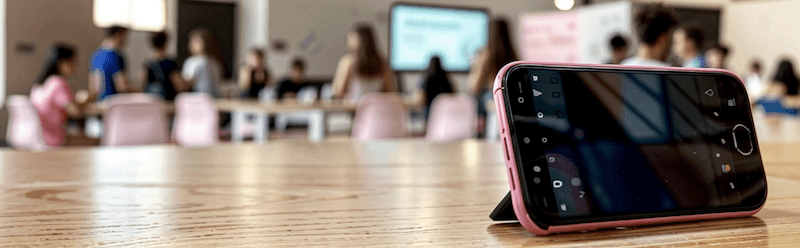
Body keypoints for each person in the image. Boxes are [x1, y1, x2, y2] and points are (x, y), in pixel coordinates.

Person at [30, 44, 87, 147]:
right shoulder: (58, 83)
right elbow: (76, 111)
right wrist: (88, 99)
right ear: (61, 63)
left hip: (37, 138)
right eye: (73, 61)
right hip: (54, 140)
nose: (76, 65)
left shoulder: (39, 85)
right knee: (100, 141)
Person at [468, 18, 518, 123]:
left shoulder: (485, 55)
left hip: (491, 100)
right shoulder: (514, 56)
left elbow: (474, 87)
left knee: (485, 96)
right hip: (510, 99)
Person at [332, 24, 396, 102]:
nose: (348, 42)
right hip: (375, 110)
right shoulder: (382, 62)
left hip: (353, 110)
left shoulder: (348, 62)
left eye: (351, 38)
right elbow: (390, 91)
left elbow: (338, 92)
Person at [139, 31, 189, 100]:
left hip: (151, 103)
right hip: (167, 103)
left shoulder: (147, 63)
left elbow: (142, 86)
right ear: (166, 42)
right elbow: (180, 86)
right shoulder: (169, 63)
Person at [90, 25, 132, 101]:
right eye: (125, 37)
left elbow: (93, 88)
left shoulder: (95, 55)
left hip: (100, 102)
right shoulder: (115, 56)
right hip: (115, 104)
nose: (126, 41)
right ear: (118, 35)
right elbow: (123, 87)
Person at [182, 27, 224, 97]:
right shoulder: (191, 62)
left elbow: (218, 81)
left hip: (209, 96)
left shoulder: (211, 62)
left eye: (198, 41)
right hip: (203, 96)